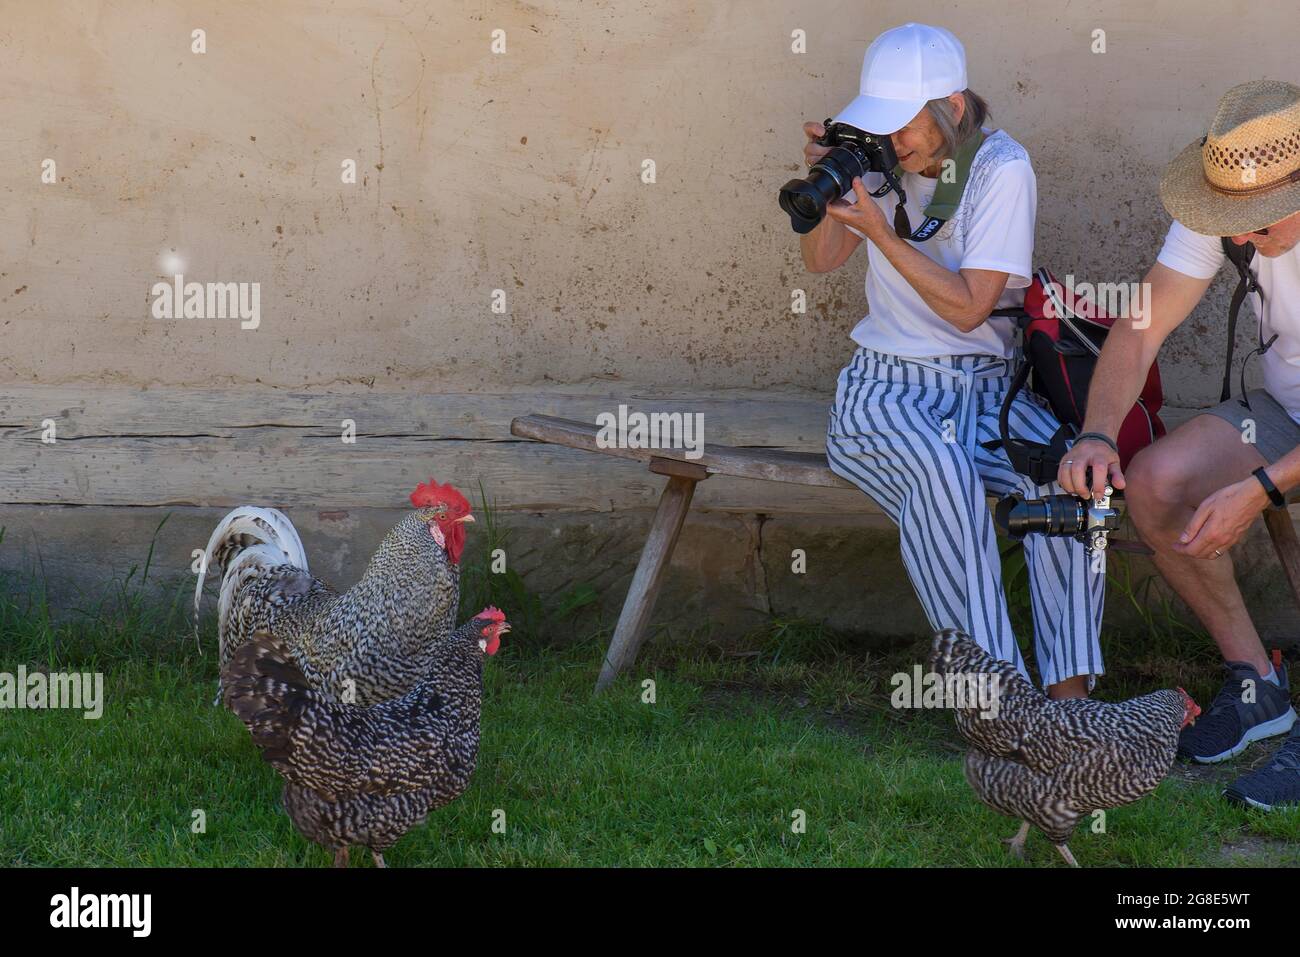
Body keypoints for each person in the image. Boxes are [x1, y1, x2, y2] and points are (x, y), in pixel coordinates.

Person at [807, 22, 1104, 699]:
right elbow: (822, 261)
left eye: (905, 124)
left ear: (956, 109)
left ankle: (1069, 700)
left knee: (1071, 480)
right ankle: (999, 700)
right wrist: (832, 191)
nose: (894, 140)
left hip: (986, 394)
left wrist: (881, 231)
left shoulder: (1000, 168)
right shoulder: (881, 163)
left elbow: (971, 307)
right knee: (944, 475)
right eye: (881, 124)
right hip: (885, 396)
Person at [1060, 80, 1300, 809]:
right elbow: (1139, 327)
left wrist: (1260, 490)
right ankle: (1257, 686)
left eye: (1257, 224)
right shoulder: (1226, 208)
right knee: (1156, 482)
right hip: (1285, 413)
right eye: (1232, 220)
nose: (1237, 239)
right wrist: (1097, 431)